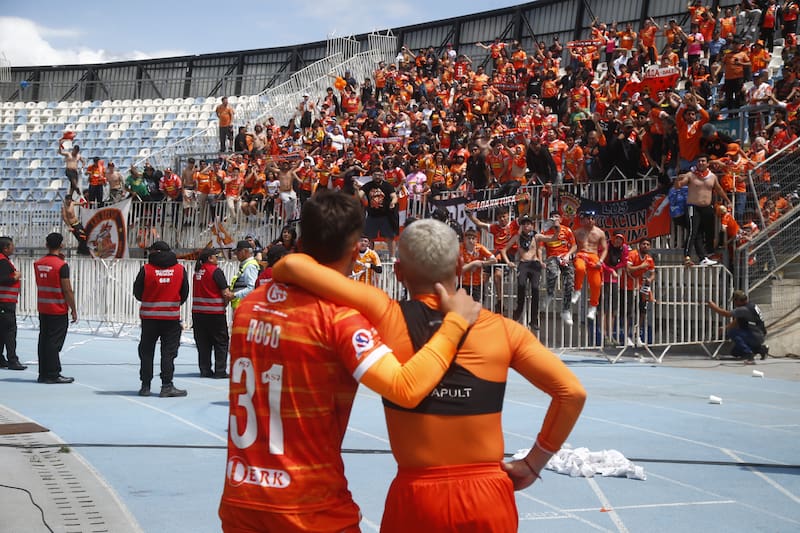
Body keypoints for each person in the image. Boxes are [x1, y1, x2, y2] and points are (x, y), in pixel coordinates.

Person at [274, 217, 586, 533]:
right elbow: (572, 393)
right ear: (461, 264)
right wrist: (534, 462)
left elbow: (291, 265)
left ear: (397, 272)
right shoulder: (502, 329)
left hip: (418, 495)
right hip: (487, 494)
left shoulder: (384, 312)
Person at [218, 190, 481, 532]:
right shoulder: (339, 318)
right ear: (357, 248)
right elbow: (406, 387)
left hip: (241, 500)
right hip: (309, 507)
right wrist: (456, 323)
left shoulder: (250, 305)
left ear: (300, 239)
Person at [132, 241, 189, 397]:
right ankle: (166, 386)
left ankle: (145, 386)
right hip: (170, 318)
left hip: (149, 318)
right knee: (168, 353)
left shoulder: (146, 270)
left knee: (146, 351)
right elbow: (184, 293)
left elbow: (137, 292)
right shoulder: (179, 270)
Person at [34, 233, 77, 384]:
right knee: (54, 342)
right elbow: (67, 289)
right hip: (57, 308)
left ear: (46, 245)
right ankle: (53, 373)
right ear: (62, 245)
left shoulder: (38, 263)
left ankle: (43, 372)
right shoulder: (61, 265)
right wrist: (74, 308)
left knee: (44, 340)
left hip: (43, 306)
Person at [675, 154, 731, 266]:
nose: (701, 163)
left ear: (707, 163)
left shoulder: (712, 176)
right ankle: (687, 256)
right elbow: (678, 186)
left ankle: (704, 257)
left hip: (706, 208)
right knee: (692, 231)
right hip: (693, 207)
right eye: (699, 161)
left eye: (703, 161)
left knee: (707, 232)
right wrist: (677, 180)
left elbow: (719, 189)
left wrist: (728, 201)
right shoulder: (690, 175)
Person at [192, 248, 234, 379]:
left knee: (203, 342)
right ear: (210, 258)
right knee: (221, 342)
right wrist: (233, 297)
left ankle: (205, 370)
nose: (218, 258)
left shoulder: (197, 272)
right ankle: (220, 370)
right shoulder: (216, 271)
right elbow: (225, 293)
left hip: (198, 313)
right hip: (215, 313)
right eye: (216, 256)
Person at [536, 210, 576, 326]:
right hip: (551, 257)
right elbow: (539, 248)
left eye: (557, 217)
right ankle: (549, 293)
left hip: (565, 257)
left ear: (561, 219)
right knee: (553, 272)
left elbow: (574, 246)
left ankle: (566, 310)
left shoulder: (567, 230)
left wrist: (568, 255)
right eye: (552, 217)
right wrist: (540, 260)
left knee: (569, 283)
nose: (555, 219)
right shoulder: (546, 230)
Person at [502, 215, 542, 328]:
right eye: (524, 224)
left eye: (528, 224)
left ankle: (534, 320)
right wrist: (508, 262)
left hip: (534, 264)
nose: (526, 226)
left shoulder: (536, 236)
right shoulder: (517, 237)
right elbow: (503, 250)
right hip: (523, 264)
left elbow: (551, 239)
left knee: (535, 290)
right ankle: (518, 312)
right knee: (521, 286)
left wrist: (556, 229)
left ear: (532, 225)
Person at [707, 290, 768, 364]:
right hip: (758, 334)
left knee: (732, 332)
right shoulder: (751, 305)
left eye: (734, 301)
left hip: (756, 335)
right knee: (735, 352)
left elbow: (727, 314)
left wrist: (713, 306)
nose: (734, 303)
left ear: (738, 300)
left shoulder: (744, 309)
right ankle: (761, 349)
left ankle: (749, 356)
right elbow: (737, 321)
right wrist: (725, 328)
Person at [572, 210, 607, 321]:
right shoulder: (577, 232)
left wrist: (600, 261)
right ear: (583, 219)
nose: (590, 220)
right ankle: (577, 290)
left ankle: (593, 306)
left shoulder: (600, 233)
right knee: (580, 268)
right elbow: (572, 246)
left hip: (594, 256)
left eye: (592, 218)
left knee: (596, 284)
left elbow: (605, 248)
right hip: (581, 254)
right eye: (588, 218)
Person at [356, 169, 399, 257]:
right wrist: (357, 190)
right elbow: (360, 195)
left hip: (385, 216)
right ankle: (369, 256)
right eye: (375, 175)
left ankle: (392, 257)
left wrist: (393, 202)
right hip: (372, 216)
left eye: (379, 175)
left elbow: (394, 196)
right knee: (368, 238)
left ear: (382, 175)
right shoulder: (368, 185)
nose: (377, 177)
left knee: (389, 237)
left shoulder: (387, 186)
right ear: (372, 175)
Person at [0, 237, 27, 370]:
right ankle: (12, 360)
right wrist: (14, 277)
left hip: (4, 302)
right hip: (5, 302)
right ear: (5, 248)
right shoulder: (3, 262)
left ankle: (1, 359)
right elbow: (2, 279)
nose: (13, 248)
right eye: (11, 246)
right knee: (10, 331)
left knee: (2, 331)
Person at [625, 238, 655, 347]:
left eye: (648, 244)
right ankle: (627, 337)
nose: (645, 246)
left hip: (641, 287)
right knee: (628, 312)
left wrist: (650, 279)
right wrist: (641, 267)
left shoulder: (649, 259)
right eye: (643, 244)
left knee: (642, 311)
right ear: (639, 245)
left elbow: (652, 273)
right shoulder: (632, 254)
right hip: (628, 286)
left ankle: (637, 336)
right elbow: (628, 268)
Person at [458, 227, 496, 303]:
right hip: (463, 283)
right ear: (464, 239)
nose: (471, 241)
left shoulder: (480, 248)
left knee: (477, 305)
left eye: (473, 238)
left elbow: (494, 260)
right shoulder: (460, 248)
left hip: (477, 282)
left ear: (476, 240)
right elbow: (460, 269)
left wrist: (482, 263)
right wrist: (473, 264)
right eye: (469, 238)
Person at [228, 240, 260, 310]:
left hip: (245, 307)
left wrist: (234, 295)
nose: (236, 254)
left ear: (245, 251)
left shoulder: (250, 266)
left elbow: (251, 288)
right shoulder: (246, 265)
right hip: (242, 306)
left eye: (238, 251)